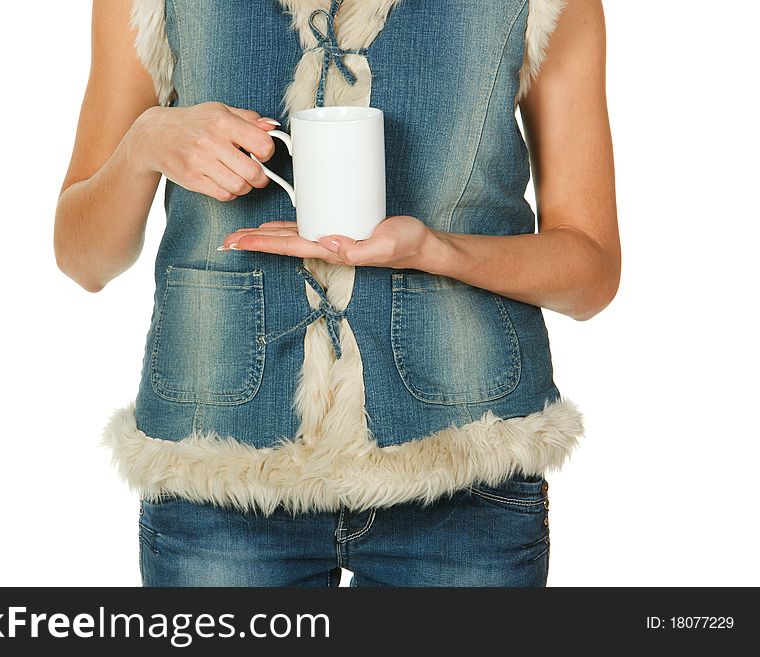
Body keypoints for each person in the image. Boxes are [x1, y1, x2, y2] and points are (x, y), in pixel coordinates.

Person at [54, 0, 619, 587]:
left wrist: (435, 251)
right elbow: (83, 257)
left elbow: (590, 275)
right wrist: (144, 145)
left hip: (465, 463)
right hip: (216, 469)